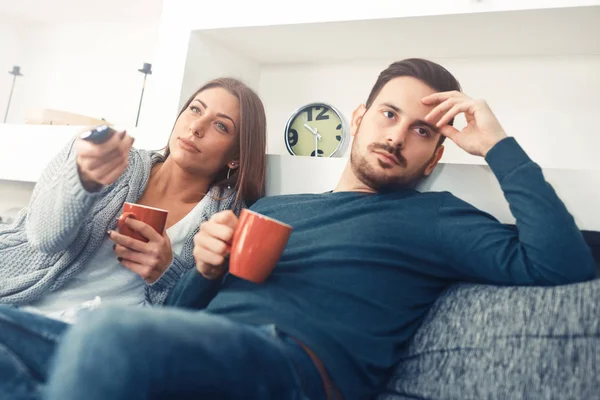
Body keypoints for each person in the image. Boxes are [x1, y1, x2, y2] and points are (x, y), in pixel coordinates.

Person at [9, 59, 599, 399]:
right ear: (360, 119)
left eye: (423, 131)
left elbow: (563, 264)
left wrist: (495, 143)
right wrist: (203, 270)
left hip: (291, 368)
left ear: (437, 154)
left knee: (108, 337)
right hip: (196, 351)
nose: (397, 136)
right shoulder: (282, 208)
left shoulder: (438, 219)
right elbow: (185, 313)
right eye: (389, 115)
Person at [0, 78, 266, 395]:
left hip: (102, 344)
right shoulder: (101, 158)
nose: (196, 127)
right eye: (195, 109)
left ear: (234, 157)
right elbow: (43, 237)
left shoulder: (226, 221)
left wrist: (169, 272)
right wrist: (83, 181)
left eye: (221, 126)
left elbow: (201, 326)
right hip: (22, 313)